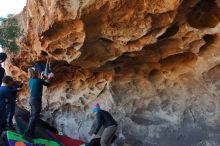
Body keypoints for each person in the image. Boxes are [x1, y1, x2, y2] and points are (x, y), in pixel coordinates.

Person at [23, 67, 50, 139]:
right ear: (35, 73)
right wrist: (46, 78)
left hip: (31, 99)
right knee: (34, 117)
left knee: (33, 117)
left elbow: (38, 83)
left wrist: (42, 78)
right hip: (36, 100)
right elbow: (48, 84)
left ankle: (31, 134)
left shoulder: (30, 81)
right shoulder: (38, 80)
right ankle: (27, 134)